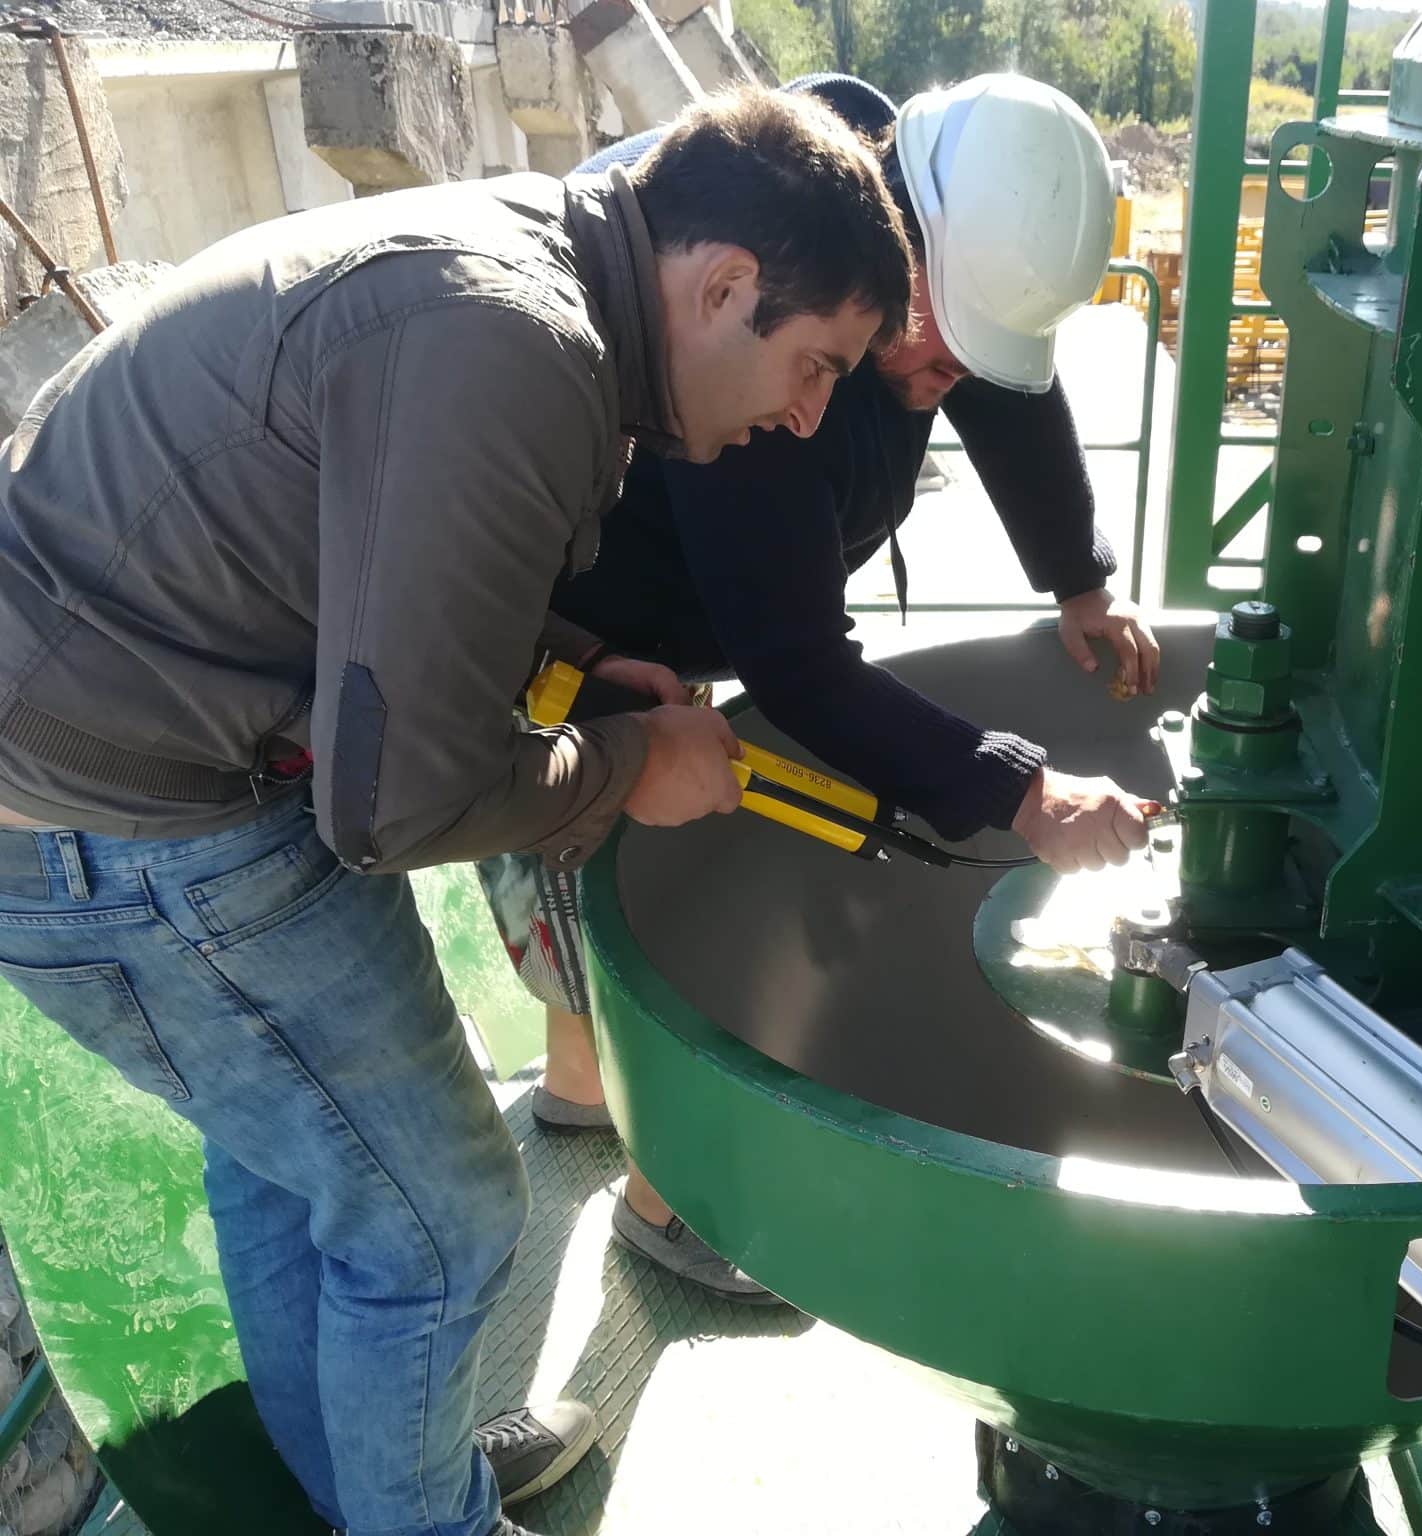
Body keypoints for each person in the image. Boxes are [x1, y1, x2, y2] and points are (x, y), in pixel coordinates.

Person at [0, 88, 913, 1536]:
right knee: (445, 1218)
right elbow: (401, 808)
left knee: (300, 1162)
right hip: (116, 808)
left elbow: (367, 551)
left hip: (101, 727)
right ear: (723, 284)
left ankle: (371, 1487)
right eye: (813, 366)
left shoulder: (539, 265)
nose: (810, 417)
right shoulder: (522, 348)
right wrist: (635, 769)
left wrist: (565, 669)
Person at [480, 74, 1163, 1306]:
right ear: (891, 253)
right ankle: (670, 1196)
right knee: (603, 829)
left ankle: (579, 1089)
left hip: (655, 599)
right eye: (931, 342)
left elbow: (1006, 384)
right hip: (579, 606)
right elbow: (797, 662)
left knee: (580, 862)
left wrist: (1077, 579)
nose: (945, 371)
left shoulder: (896, 227)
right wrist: (1023, 794)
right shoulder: (766, 321)